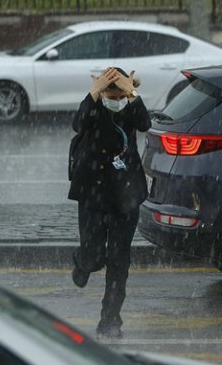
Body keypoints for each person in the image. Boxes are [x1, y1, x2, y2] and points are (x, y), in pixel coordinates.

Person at [68, 67, 151, 339]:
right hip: (92, 192)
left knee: (118, 261)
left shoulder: (131, 107)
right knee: (94, 256)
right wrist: (94, 91)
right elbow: (78, 123)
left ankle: (110, 318)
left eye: (118, 92)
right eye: (109, 91)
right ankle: (83, 262)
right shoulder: (93, 108)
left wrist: (131, 92)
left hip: (125, 196)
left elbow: (145, 123)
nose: (113, 97)